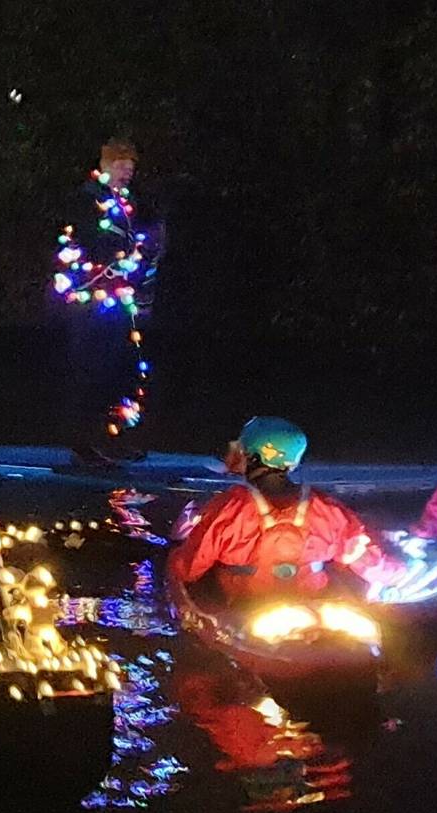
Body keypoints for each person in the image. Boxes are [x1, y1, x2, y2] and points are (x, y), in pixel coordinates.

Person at [168, 417, 394, 602]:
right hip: (310, 603)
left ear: (253, 458)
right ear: (292, 463)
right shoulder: (328, 508)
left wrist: (175, 553)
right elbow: (369, 561)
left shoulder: (228, 508)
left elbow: (188, 570)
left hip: (245, 608)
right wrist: (398, 574)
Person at [49, 139, 155, 465]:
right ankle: (85, 443)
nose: (127, 173)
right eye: (122, 166)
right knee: (91, 370)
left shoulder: (126, 202)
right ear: (106, 164)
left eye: (131, 168)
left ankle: (115, 438)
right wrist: (103, 267)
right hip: (92, 300)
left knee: (123, 369)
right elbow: (74, 244)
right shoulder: (85, 200)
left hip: (121, 299)